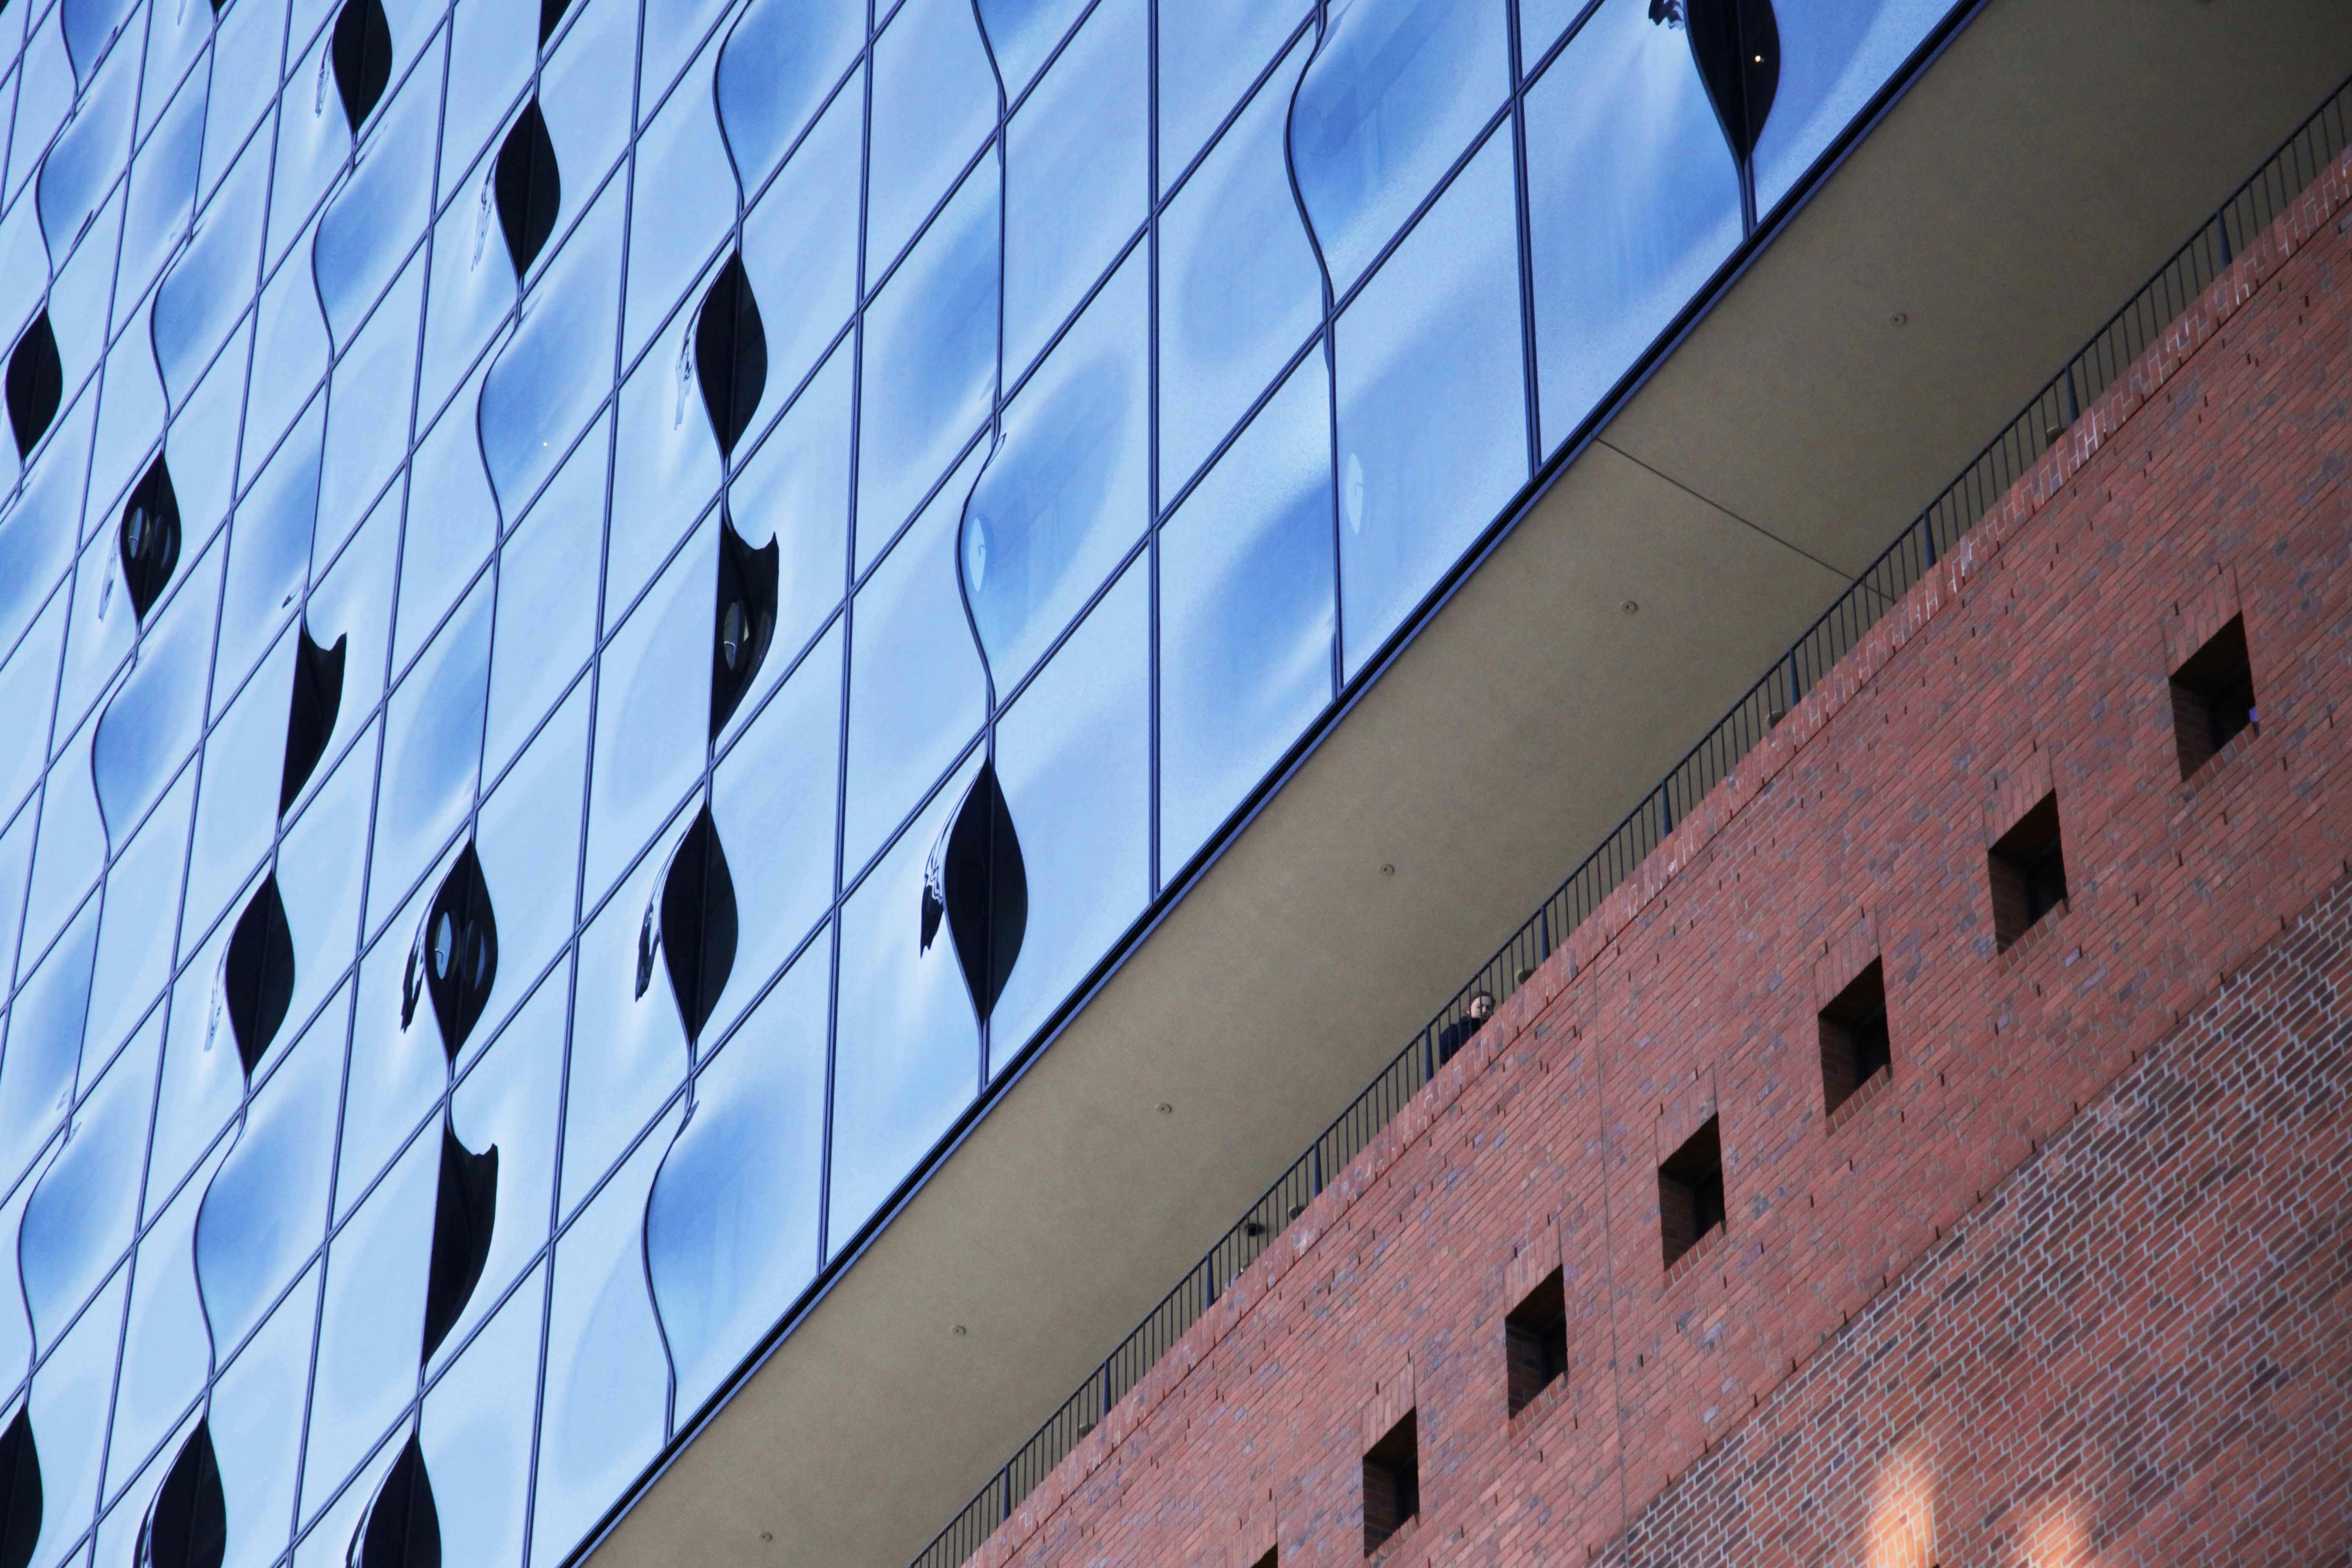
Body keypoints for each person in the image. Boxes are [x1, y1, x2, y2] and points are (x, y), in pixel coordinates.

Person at [1436, 992, 1495, 1066]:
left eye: (1489, 1008)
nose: (1484, 1011)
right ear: (1468, 1009)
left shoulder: (1493, 1029)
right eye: (1480, 1007)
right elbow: (1445, 1059)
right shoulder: (1454, 1031)